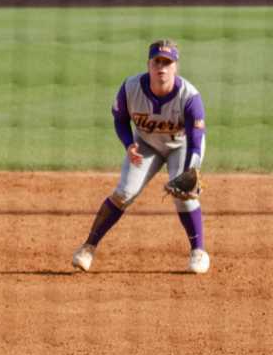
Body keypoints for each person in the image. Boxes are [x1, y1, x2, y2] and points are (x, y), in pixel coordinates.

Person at [73, 39, 209, 275]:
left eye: (167, 62)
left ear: (175, 66)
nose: (162, 68)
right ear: (148, 64)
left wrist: (191, 169)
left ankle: (198, 251)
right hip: (146, 144)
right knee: (123, 193)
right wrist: (128, 144)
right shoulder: (130, 88)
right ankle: (88, 248)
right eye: (157, 61)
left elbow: (196, 140)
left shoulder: (189, 97)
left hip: (182, 145)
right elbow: (120, 119)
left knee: (184, 196)